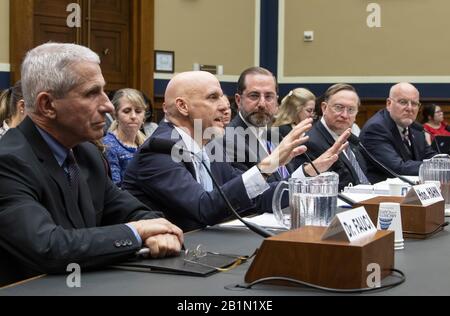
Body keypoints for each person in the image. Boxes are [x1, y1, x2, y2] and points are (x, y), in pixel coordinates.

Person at [0, 43, 183, 286]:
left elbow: (132, 211)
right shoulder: (8, 161)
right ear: (47, 105)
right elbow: (49, 247)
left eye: (104, 91)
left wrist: (157, 230)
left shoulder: (87, 153)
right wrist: (138, 232)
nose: (108, 105)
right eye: (91, 93)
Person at [123, 71, 314, 232]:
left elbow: (251, 197)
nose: (224, 106)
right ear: (182, 106)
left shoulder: (210, 144)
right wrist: (268, 165)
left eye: (222, 96)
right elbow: (203, 208)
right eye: (213, 97)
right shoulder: (159, 149)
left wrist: (307, 177)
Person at [222, 67, 349, 182]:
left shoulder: (274, 135)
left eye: (269, 96)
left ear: (276, 101)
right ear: (239, 101)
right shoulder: (227, 140)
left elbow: (283, 183)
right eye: (254, 96)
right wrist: (306, 171)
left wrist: (312, 169)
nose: (262, 103)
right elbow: (248, 198)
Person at [297, 84, 370, 191]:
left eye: (351, 110)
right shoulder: (310, 142)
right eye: (339, 108)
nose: (345, 115)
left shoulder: (351, 139)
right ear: (324, 108)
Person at [360, 82, 436, 183]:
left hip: (412, 189)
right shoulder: (375, 128)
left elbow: (429, 155)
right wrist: (436, 167)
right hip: (383, 193)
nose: (409, 108)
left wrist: (443, 163)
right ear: (389, 104)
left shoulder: (415, 128)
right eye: (403, 102)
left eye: (414, 104)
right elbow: (398, 168)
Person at [103, 88, 147, 187]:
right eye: (126, 111)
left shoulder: (145, 143)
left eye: (138, 111)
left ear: (144, 116)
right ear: (116, 115)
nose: (133, 116)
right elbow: (116, 188)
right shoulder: (109, 145)